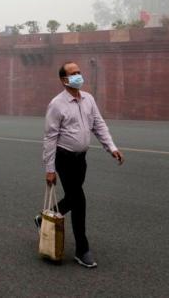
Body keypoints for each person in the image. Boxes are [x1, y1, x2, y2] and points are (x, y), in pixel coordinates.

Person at [36, 61, 124, 268]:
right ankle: (82, 249)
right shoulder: (57, 104)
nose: (78, 76)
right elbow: (50, 138)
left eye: (79, 72)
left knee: (73, 198)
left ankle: (43, 219)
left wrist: (111, 147)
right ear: (64, 80)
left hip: (81, 160)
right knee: (79, 201)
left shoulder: (89, 99)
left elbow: (99, 124)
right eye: (73, 73)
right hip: (64, 158)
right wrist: (49, 169)